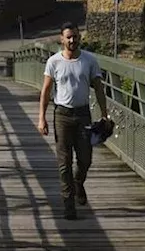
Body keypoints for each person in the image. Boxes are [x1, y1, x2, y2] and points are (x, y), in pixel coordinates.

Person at [37, 23, 110, 220]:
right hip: (62, 115)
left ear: (79, 37)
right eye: (68, 37)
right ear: (62, 39)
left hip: (83, 114)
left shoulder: (89, 60)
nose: (72, 40)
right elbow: (45, 91)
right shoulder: (54, 62)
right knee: (64, 163)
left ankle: (78, 183)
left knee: (85, 159)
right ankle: (69, 205)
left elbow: (99, 88)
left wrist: (105, 115)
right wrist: (41, 118)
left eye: (75, 36)